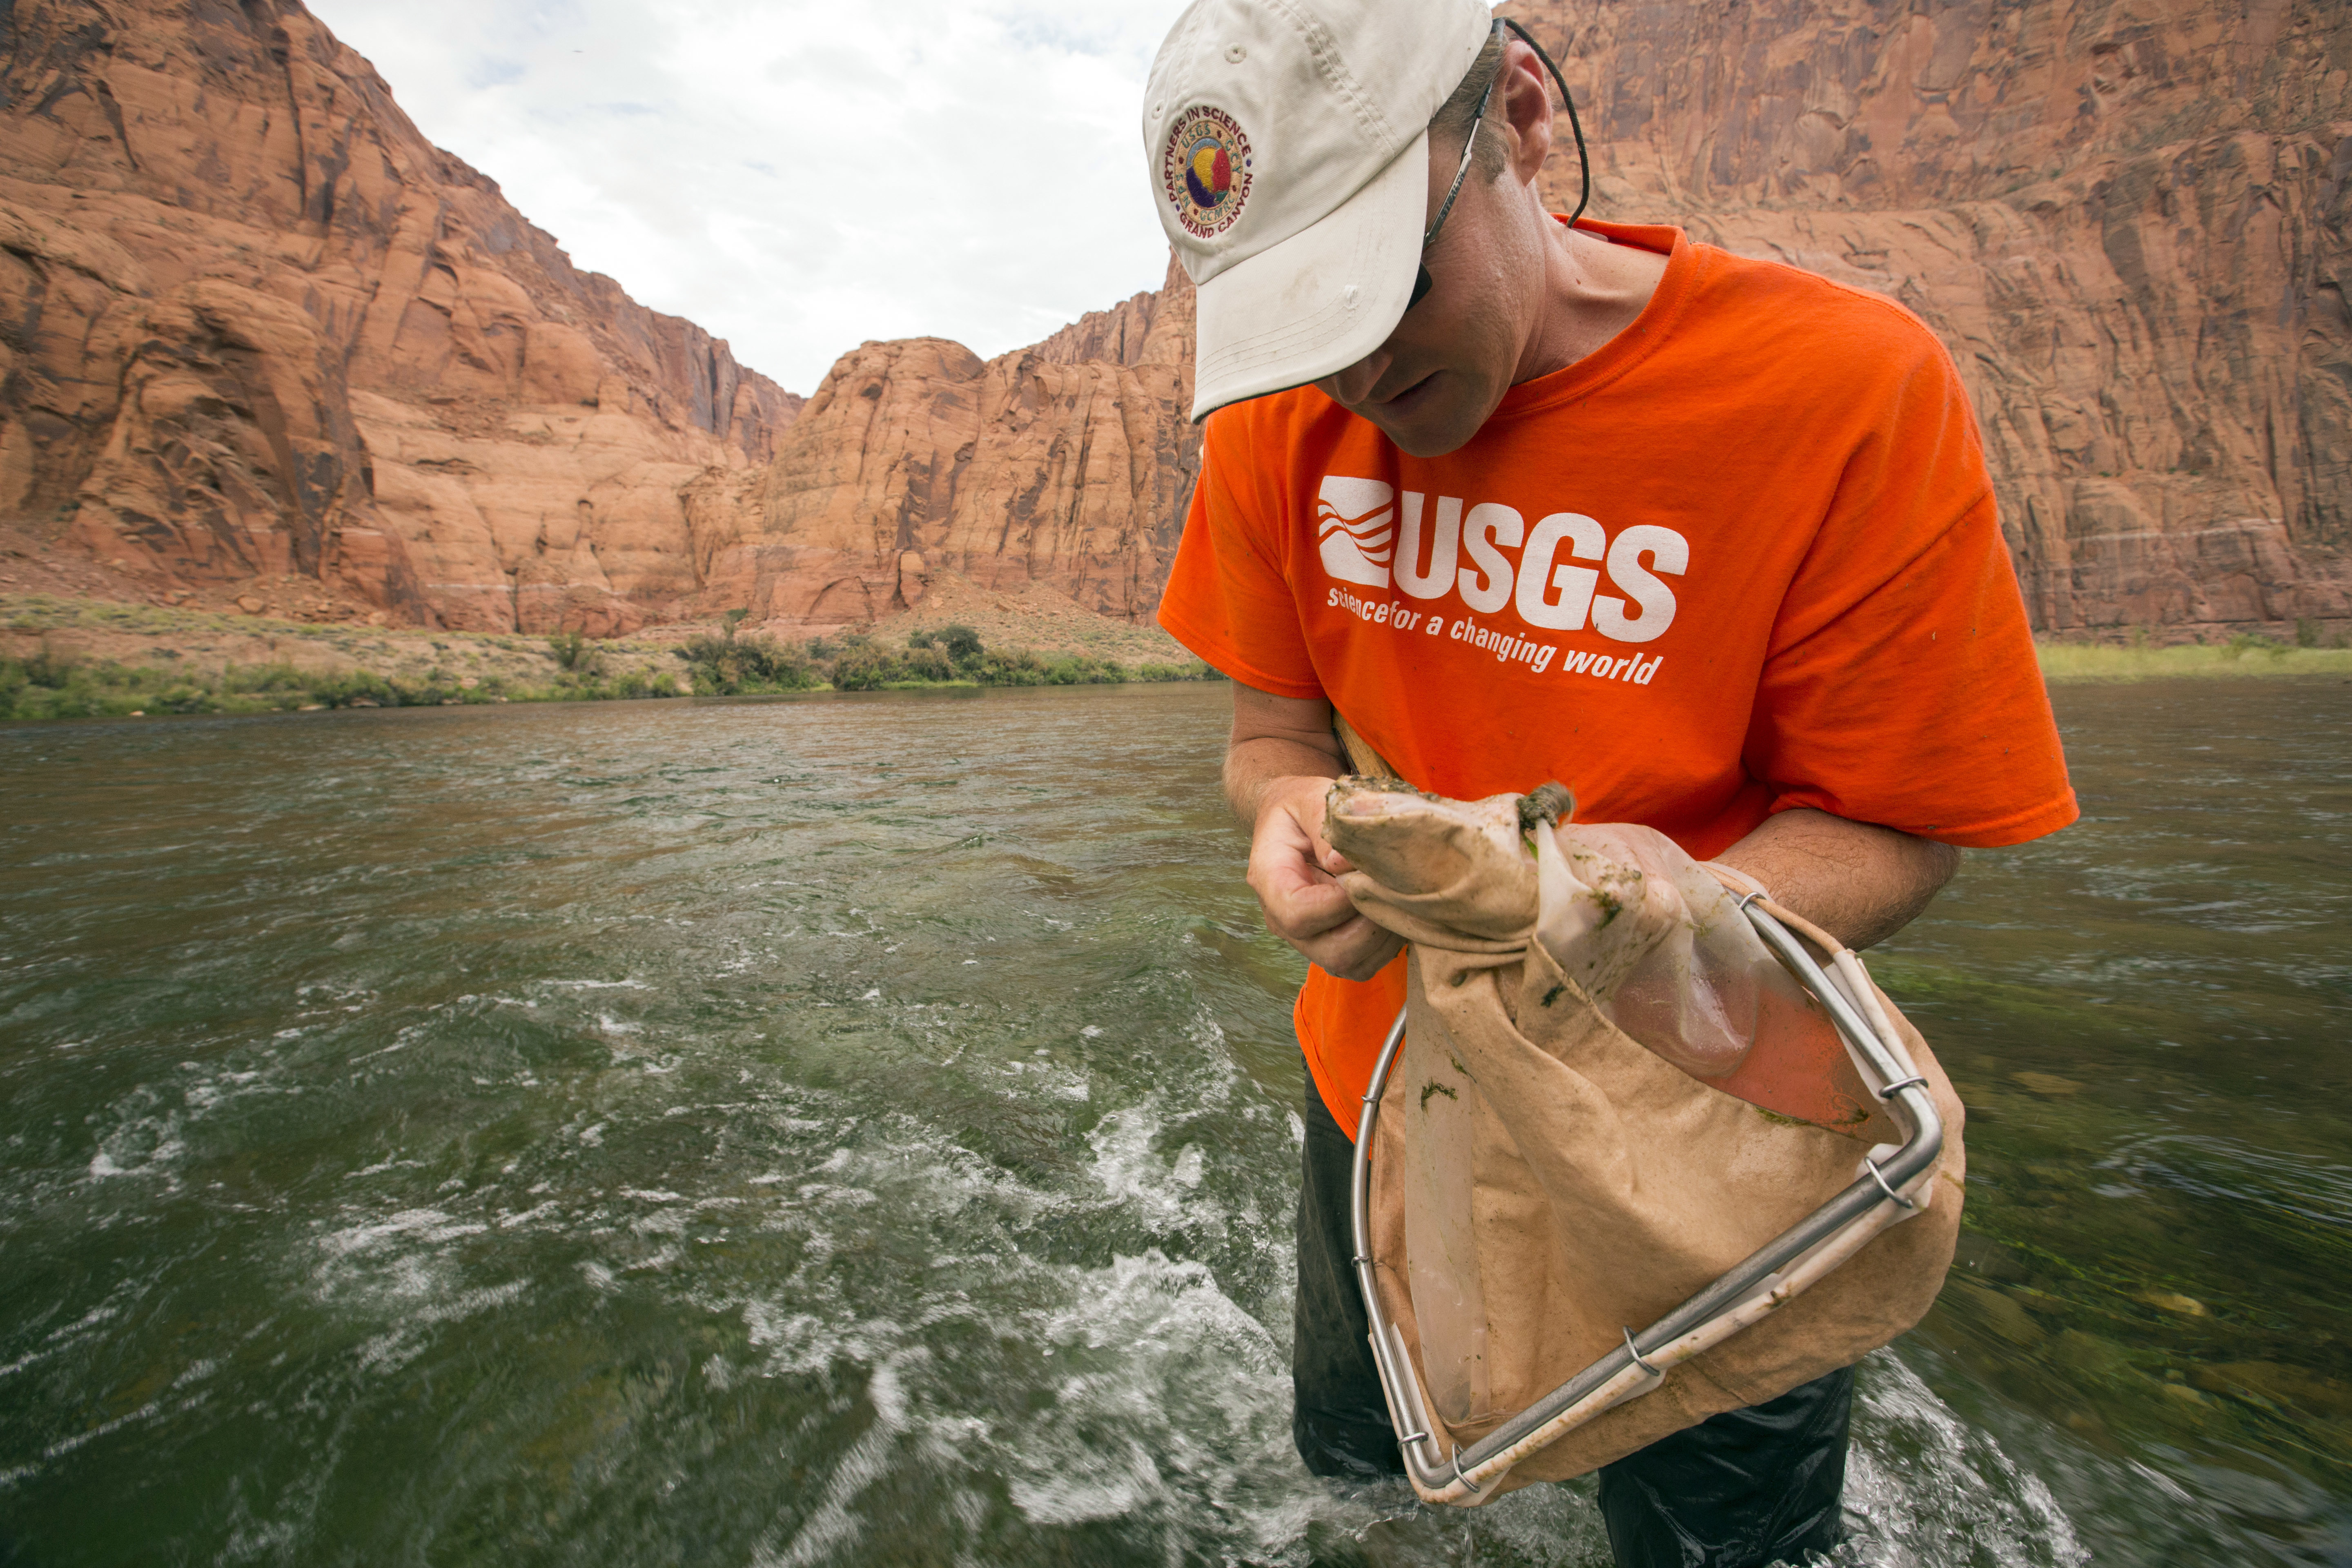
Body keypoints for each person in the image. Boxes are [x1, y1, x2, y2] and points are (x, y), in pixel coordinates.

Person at [1140, 1, 2078, 1564]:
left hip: (1718, 1134)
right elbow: (1272, 742)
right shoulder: (1277, 423)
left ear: (1512, 120)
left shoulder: (1845, 392)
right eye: (1306, 321)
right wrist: (1283, 825)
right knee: (1361, 1491)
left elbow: (1905, 828)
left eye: (1386, 288)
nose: (1357, 371)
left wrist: (1650, 906)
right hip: (1382, 1099)